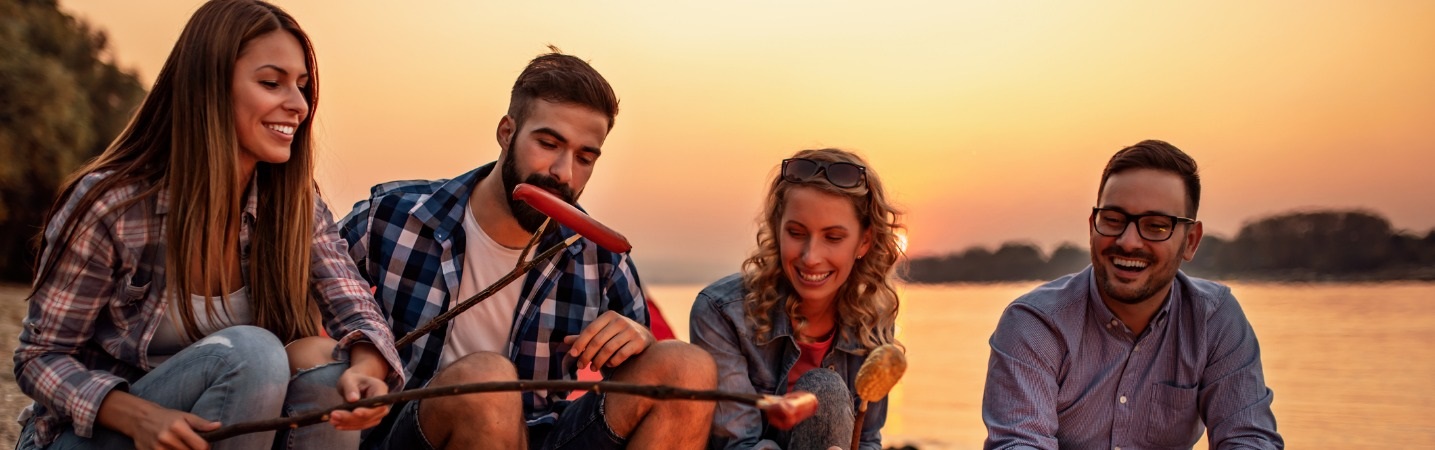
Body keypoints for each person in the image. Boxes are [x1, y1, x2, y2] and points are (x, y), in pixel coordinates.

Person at [12, 1, 404, 449]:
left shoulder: (296, 207)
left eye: (302, 86)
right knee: (253, 353)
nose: (298, 105)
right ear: (209, 88)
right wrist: (138, 415)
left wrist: (368, 367)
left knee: (329, 371)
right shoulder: (113, 205)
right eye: (271, 83)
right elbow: (40, 358)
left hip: (222, 433)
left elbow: (354, 304)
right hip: (100, 436)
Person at [340, 49, 716, 450]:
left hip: (544, 436)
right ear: (506, 132)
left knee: (687, 367)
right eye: (549, 144)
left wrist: (639, 336)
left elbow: (640, 372)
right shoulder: (395, 215)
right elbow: (304, 296)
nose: (564, 173)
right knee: (486, 380)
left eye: (585, 157)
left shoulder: (598, 255)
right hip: (411, 433)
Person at [981, 140, 1283, 449]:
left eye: (1155, 226)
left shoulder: (1214, 319)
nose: (1128, 242)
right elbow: (1019, 443)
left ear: (1190, 241)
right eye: (1113, 220)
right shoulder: (1036, 324)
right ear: (1091, 227)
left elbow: (1249, 437)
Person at [690, 148, 905, 450]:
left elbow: (867, 438)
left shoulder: (872, 320)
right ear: (778, 229)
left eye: (833, 238)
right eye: (796, 232)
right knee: (824, 389)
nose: (810, 257)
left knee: (824, 392)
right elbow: (737, 445)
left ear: (864, 242)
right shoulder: (722, 312)